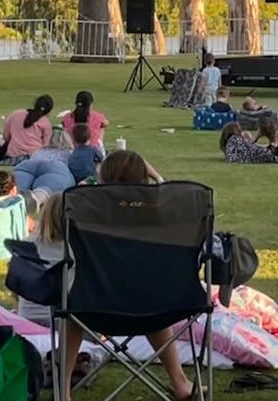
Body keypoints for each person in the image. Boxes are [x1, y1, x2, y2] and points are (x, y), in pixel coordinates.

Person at [58, 150, 192, 400]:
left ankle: (63, 390)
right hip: (157, 308)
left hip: (95, 309)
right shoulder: (163, 213)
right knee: (146, 294)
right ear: (144, 177)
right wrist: (157, 179)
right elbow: (176, 199)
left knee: (71, 306)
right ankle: (180, 381)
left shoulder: (85, 209)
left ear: (105, 176)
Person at [13, 128, 76, 209]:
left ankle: (14, 196)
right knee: (49, 186)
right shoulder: (70, 152)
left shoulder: (39, 151)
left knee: (19, 184)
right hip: (55, 167)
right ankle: (37, 197)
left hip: (28, 165)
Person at [3, 94, 54, 160]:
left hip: (13, 155)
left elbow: (6, 137)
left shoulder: (15, 114)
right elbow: (45, 146)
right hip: (34, 157)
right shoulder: (46, 122)